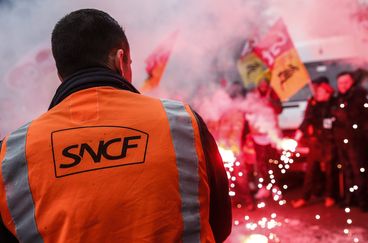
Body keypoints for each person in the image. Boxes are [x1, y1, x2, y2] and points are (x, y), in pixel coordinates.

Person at [0, 9, 231, 243]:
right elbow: (220, 224)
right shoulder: (183, 122)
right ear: (120, 60)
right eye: (130, 63)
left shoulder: (12, 153)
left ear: (61, 74)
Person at [291, 77, 337, 208]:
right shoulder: (313, 104)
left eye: (321, 92)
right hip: (315, 142)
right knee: (310, 171)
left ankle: (330, 196)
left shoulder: (333, 105)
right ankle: (305, 197)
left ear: (328, 93)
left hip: (329, 142)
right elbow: (307, 120)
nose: (317, 94)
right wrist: (298, 135)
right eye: (317, 91)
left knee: (329, 171)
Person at [332, 71, 368, 212]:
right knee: (347, 170)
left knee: (358, 170)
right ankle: (349, 197)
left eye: (345, 82)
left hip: (355, 139)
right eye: (340, 83)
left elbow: (358, 116)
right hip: (341, 139)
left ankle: (363, 200)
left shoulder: (358, 96)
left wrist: (343, 115)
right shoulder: (338, 98)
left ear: (352, 82)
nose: (343, 85)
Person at [244, 77, 283, 199]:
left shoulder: (273, 95)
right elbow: (247, 112)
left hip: (272, 134)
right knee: (261, 163)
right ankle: (265, 187)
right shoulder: (252, 96)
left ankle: (276, 187)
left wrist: (270, 101)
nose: (263, 85)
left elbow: (279, 109)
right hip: (257, 135)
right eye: (260, 82)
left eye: (265, 82)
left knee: (274, 162)